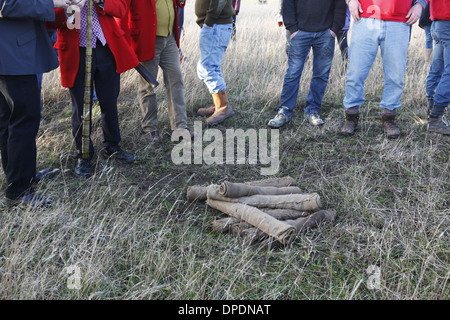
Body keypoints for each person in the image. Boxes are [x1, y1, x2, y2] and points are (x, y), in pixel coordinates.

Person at [52, 0, 139, 178]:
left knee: (109, 100)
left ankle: (112, 145)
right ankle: (83, 154)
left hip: (106, 48)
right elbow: (48, 19)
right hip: (77, 52)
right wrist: (70, 7)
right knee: (81, 107)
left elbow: (122, 8)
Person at [0, 0, 68, 207]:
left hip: (11, 53)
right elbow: (8, 5)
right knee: (25, 120)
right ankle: (19, 190)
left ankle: (21, 176)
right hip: (12, 56)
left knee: (9, 121)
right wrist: (53, 3)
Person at [340, 0, 427, 139]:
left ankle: (389, 117)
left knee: (396, 74)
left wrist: (419, 4)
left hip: (399, 21)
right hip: (365, 17)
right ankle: (351, 116)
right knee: (355, 72)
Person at [119, 0, 190, 146]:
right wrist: (125, 44)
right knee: (147, 86)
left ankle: (180, 127)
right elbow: (122, 14)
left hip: (170, 38)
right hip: (148, 39)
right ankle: (150, 130)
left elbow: (179, 3)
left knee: (176, 80)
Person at [267, 0, 346, 129]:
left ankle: (312, 111)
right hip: (300, 33)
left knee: (321, 75)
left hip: (325, 34)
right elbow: (287, 4)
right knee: (293, 73)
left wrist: (334, 29)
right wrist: (292, 28)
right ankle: (284, 112)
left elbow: (340, 5)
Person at [195, 0, 236, 126]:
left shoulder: (213, 22)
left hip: (216, 24)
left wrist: (209, 21)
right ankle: (217, 104)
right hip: (215, 24)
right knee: (209, 67)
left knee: (208, 68)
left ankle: (223, 107)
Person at [426, 0, 450, 135]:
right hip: (447, 21)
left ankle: (431, 105)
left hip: (437, 24)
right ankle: (436, 118)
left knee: (437, 68)